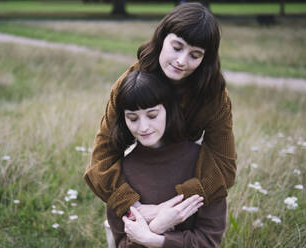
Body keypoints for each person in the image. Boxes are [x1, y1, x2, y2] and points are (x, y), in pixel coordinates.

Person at [84, 2, 236, 218]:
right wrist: (133, 207)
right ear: (162, 38)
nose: (181, 61)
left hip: (185, 189)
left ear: (206, 59)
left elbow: (224, 167)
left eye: (195, 55)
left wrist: (173, 207)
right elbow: (101, 161)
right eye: (177, 47)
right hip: (137, 186)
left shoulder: (214, 96)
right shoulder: (129, 84)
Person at [106, 70, 227, 247]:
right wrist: (158, 226)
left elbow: (209, 241)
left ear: (168, 109)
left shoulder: (203, 162)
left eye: (152, 115)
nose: (143, 127)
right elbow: (122, 244)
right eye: (132, 118)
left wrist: (153, 238)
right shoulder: (120, 173)